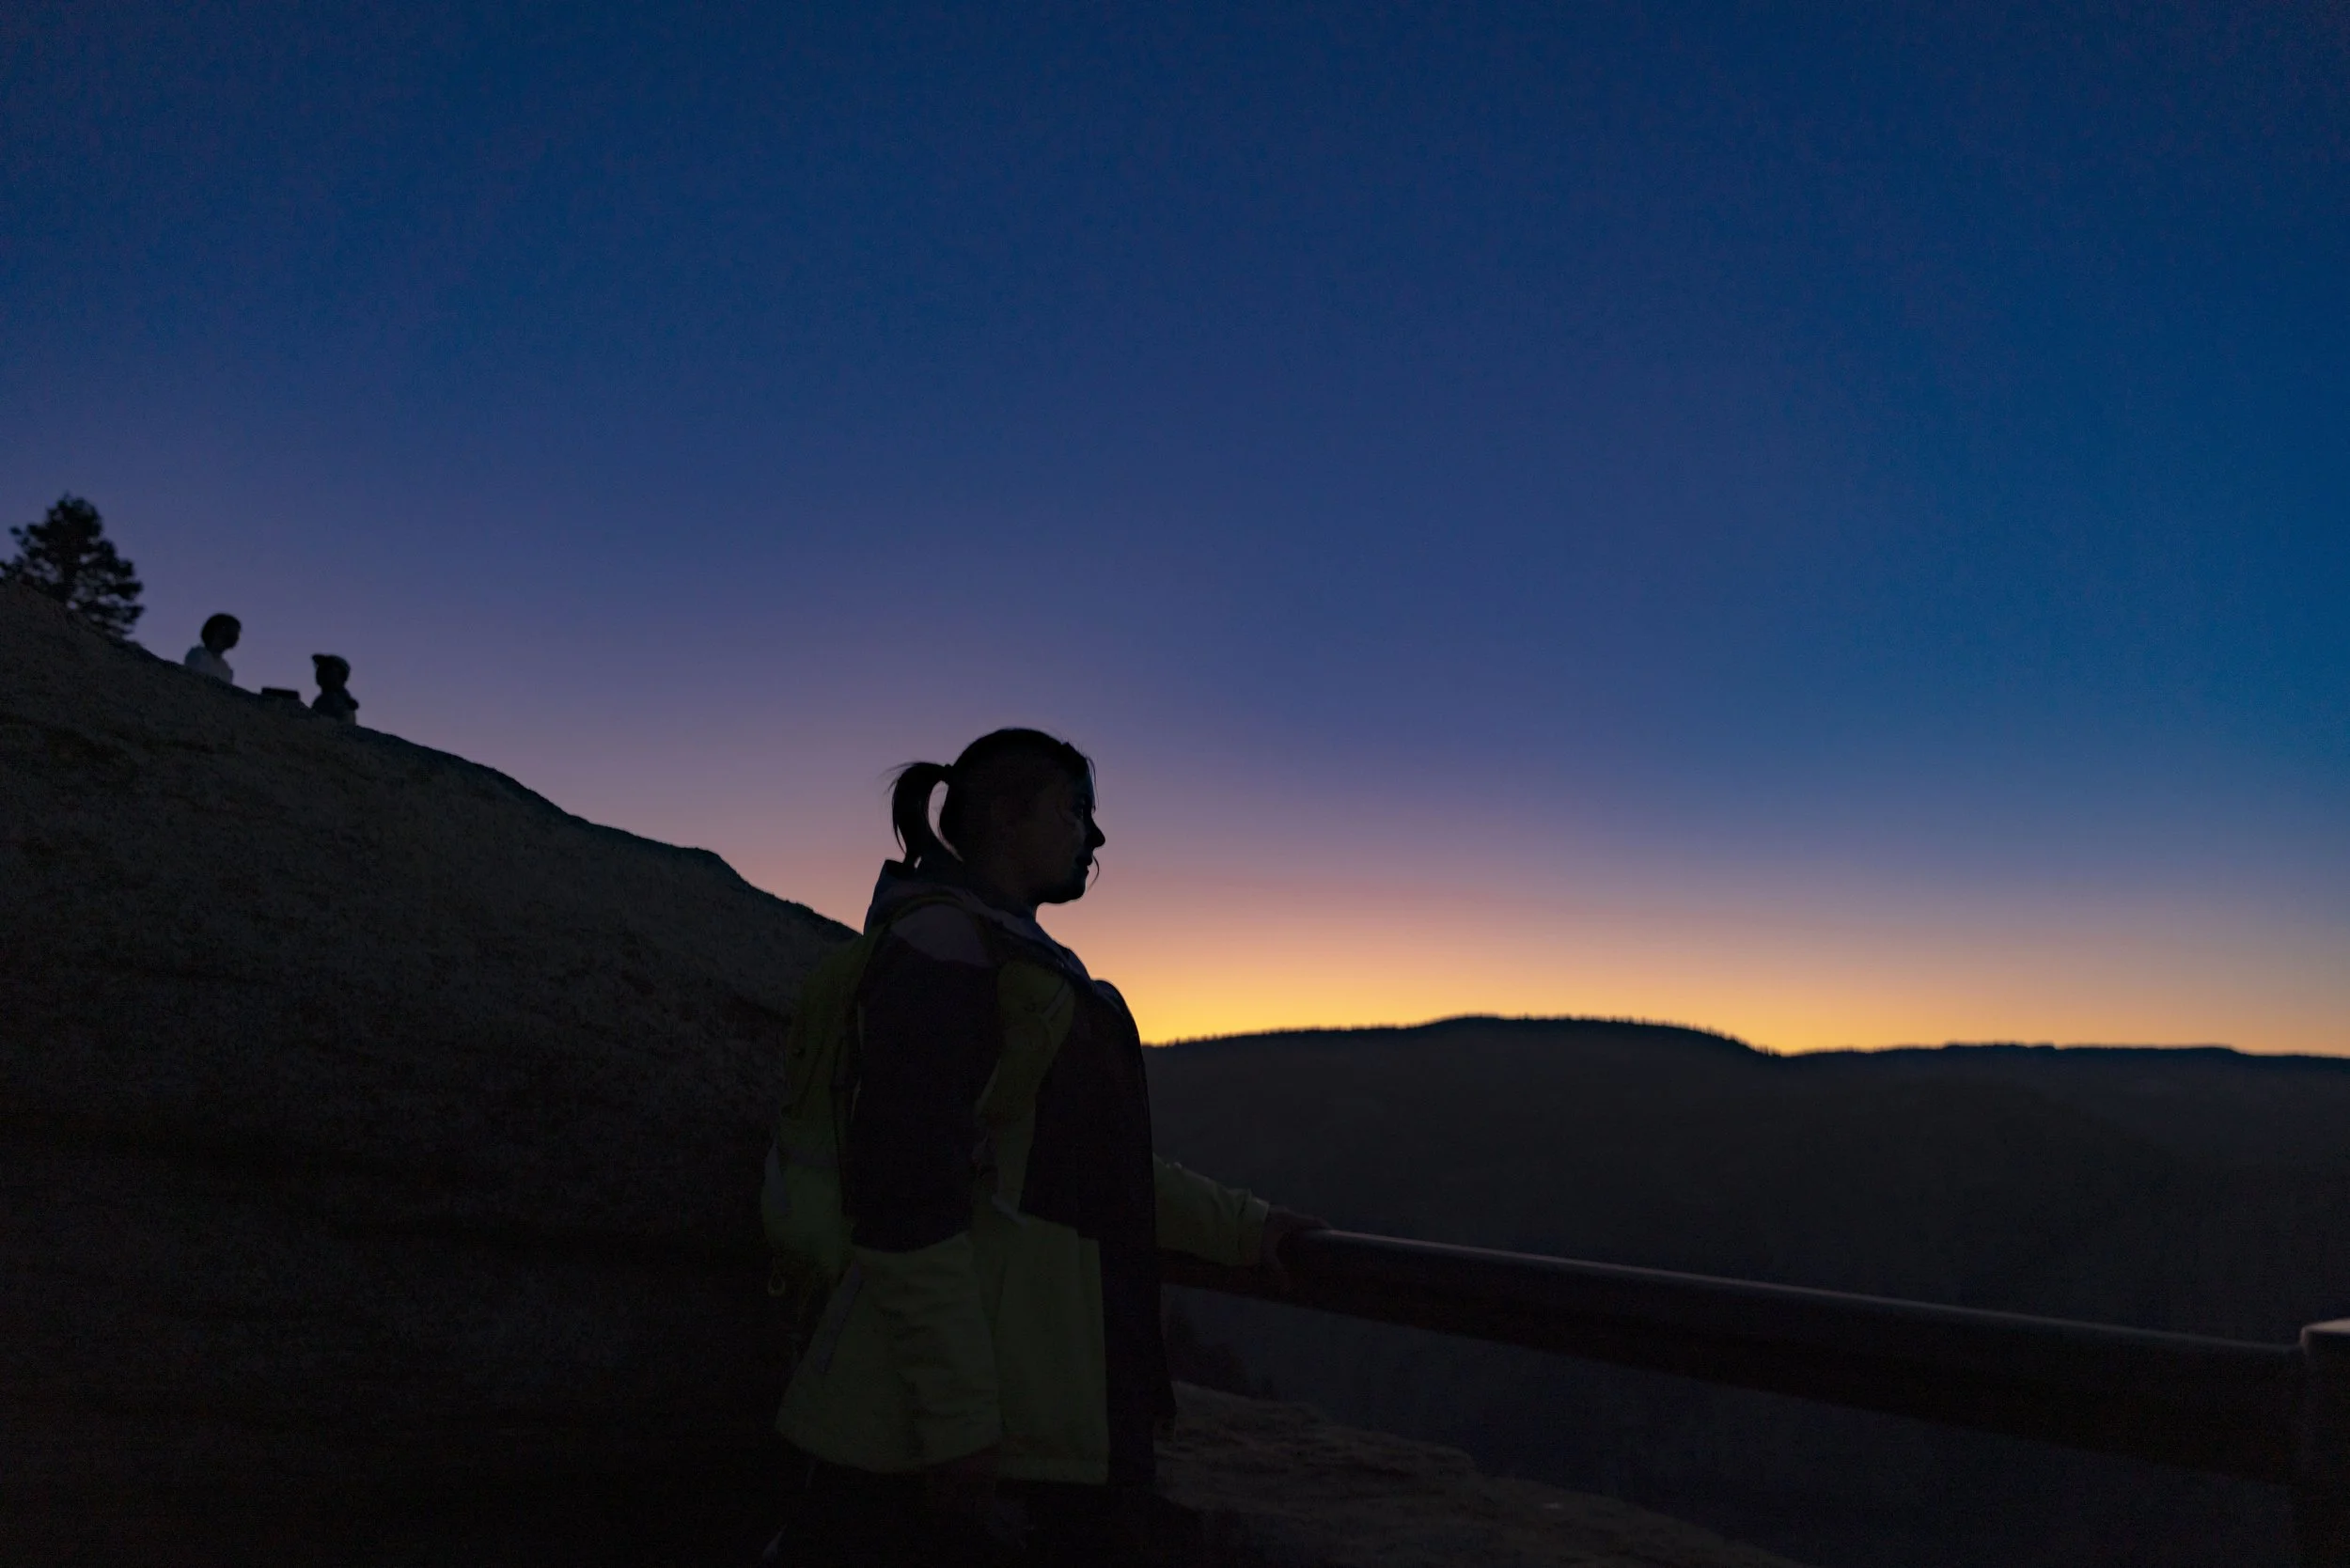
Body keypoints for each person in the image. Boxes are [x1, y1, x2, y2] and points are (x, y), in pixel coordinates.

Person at [771, 729, 1324, 1566]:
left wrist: (1248, 1229)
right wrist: (958, 1424)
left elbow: (1082, 1171)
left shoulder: (999, 957)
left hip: (994, 1421)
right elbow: (906, 1204)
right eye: (1077, 812)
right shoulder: (946, 955)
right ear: (1008, 815)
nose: (1094, 838)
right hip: (933, 1442)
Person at [183, 614, 240, 683]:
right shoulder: (198, 655)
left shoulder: (226, 668)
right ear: (217, 631)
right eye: (230, 631)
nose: (236, 638)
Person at [309, 654, 358, 724]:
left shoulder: (335, 700)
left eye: (327, 667)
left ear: (341, 675)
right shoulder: (331, 698)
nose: (320, 670)